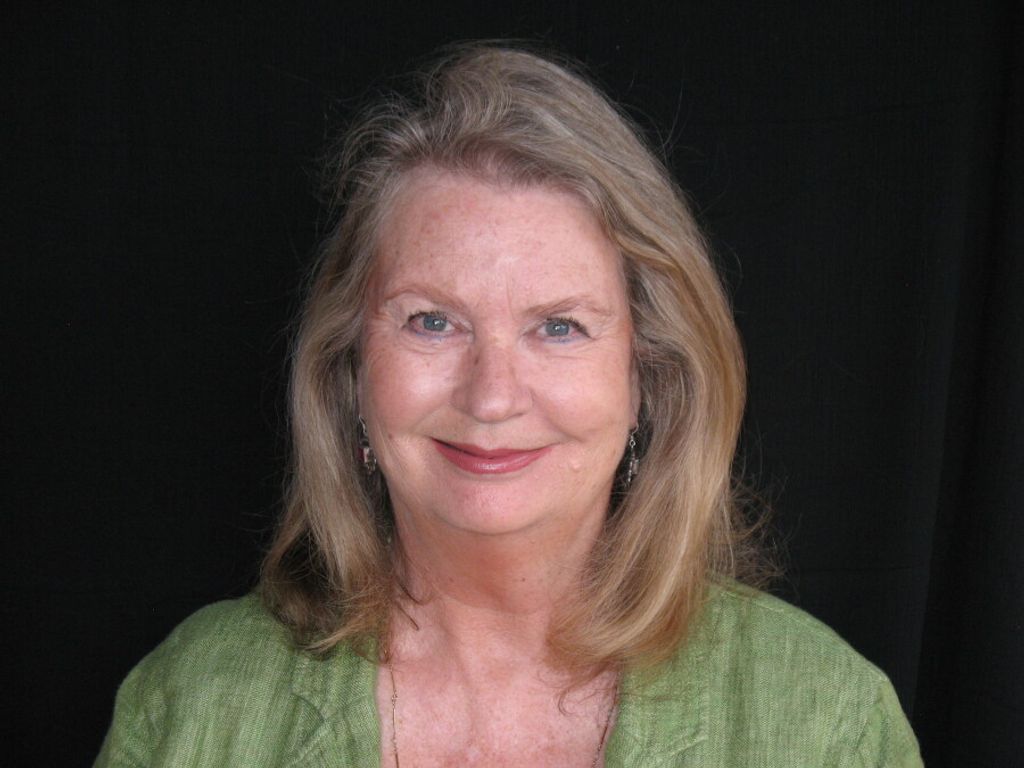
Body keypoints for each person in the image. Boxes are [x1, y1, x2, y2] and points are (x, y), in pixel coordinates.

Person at [95, 44, 922, 767]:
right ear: (350, 369)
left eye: (558, 326)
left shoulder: (828, 721)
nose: (491, 396)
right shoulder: (191, 704)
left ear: (649, 378)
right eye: (432, 321)